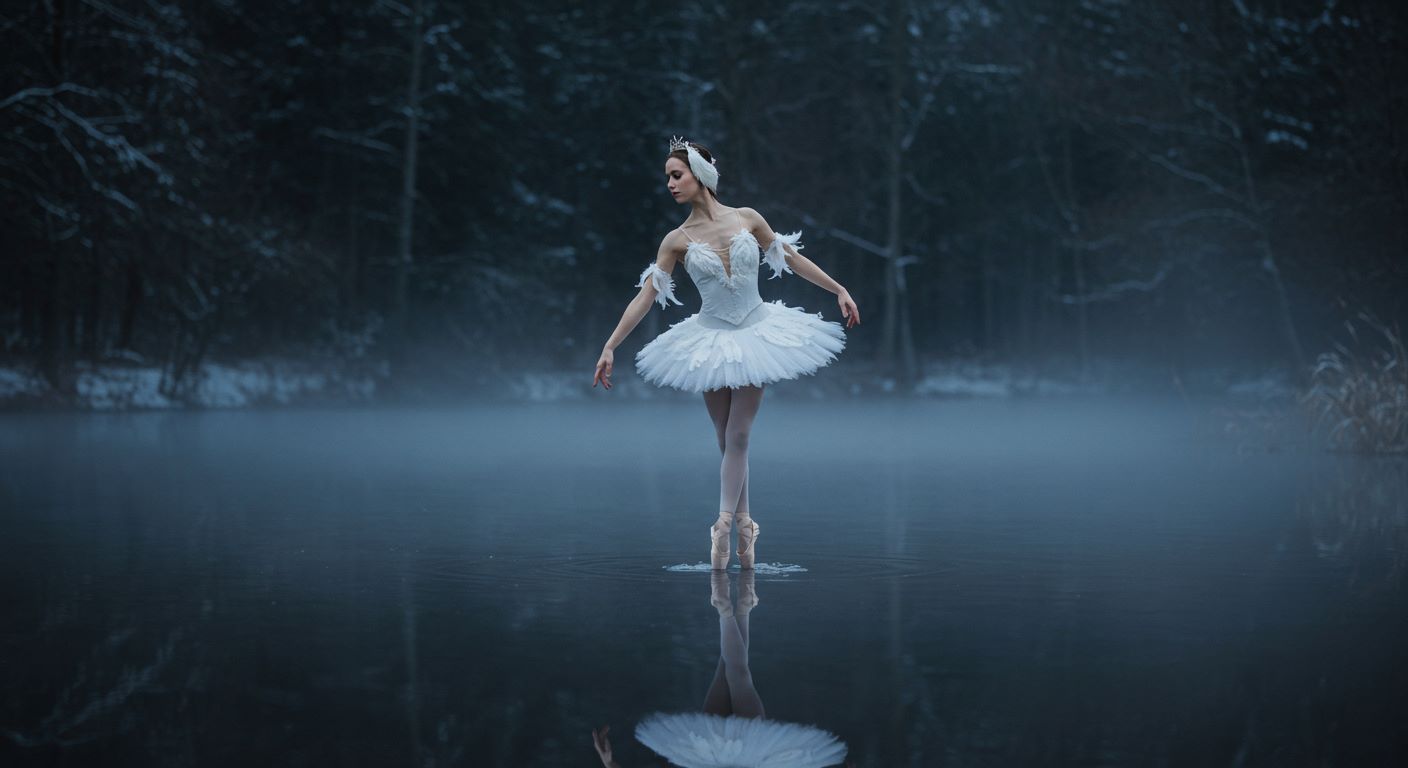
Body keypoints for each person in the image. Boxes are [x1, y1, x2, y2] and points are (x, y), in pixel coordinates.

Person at [593, 137, 860, 571]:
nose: (669, 184)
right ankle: (747, 525)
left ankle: (722, 525)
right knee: (725, 438)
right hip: (710, 342)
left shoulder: (747, 218)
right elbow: (645, 297)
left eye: (676, 175)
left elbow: (788, 257)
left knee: (738, 436)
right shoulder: (675, 240)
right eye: (667, 178)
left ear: (700, 175)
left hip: (755, 335)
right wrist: (609, 345)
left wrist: (839, 289)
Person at [590, 571, 852, 768]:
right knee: (734, 670)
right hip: (730, 753)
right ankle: (732, 609)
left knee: (733, 670)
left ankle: (736, 608)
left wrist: (610, 764)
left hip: (715, 755)